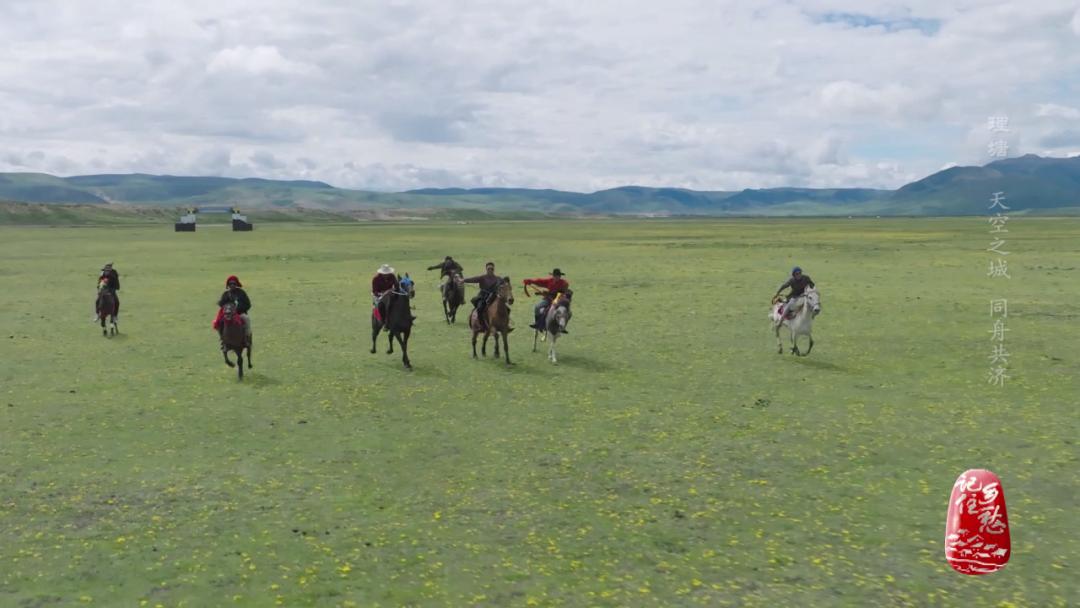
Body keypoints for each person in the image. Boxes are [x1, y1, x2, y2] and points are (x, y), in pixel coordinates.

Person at [524, 268, 570, 332]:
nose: (557, 277)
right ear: (553, 276)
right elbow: (540, 281)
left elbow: (562, 292)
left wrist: (552, 296)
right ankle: (537, 324)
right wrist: (530, 281)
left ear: (560, 276)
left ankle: (562, 326)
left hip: (559, 300)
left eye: (558, 276)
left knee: (565, 311)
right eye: (555, 276)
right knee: (537, 307)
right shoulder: (549, 281)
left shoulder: (564, 283)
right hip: (548, 299)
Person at [215, 275, 252, 347]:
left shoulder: (242, 293)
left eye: (234, 284)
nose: (232, 285)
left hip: (239, 313)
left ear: (237, 284)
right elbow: (222, 304)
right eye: (230, 284)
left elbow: (248, 304)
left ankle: (247, 338)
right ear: (228, 285)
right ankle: (223, 339)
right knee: (218, 322)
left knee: (246, 319)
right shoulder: (226, 294)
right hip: (228, 314)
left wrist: (239, 309)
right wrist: (222, 304)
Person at [464, 261, 502, 326]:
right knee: (480, 308)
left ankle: (505, 324)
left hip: (494, 297)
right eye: (488, 269)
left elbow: (505, 284)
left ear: (494, 269)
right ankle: (482, 324)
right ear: (486, 269)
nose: (490, 270)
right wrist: (463, 280)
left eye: (492, 269)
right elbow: (473, 279)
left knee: (505, 308)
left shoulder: (498, 279)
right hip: (483, 297)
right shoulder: (482, 277)